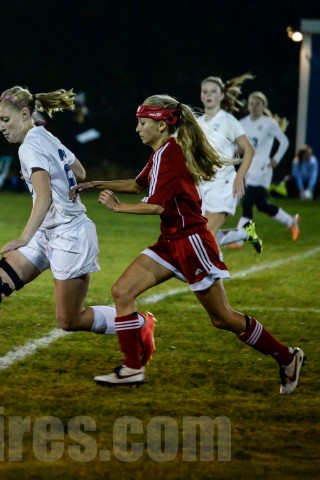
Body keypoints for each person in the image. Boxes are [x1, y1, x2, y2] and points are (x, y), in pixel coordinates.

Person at [0, 85, 155, 382]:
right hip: (47, 232)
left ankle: (136, 322)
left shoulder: (29, 146)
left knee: (70, 319)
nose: (0, 127)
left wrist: (23, 238)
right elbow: (80, 172)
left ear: (24, 114)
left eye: (5, 120)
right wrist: (42, 173)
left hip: (69, 235)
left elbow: (44, 197)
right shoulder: (44, 135)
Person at [74, 95, 304, 394]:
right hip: (171, 240)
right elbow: (138, 184)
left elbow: (156, 206)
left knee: (222, 317)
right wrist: (96, 184)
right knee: (122, 291)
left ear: (161, 124)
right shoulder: (162, 152)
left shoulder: (169, 154)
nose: (137, 129)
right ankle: (131, 369)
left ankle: (287, 356)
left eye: (142, 123)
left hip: (191, 242)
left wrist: (118, 207)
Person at [218, 91, 298, 248]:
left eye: (258, 104)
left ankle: (239, 239)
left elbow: (284, 141)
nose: (254, 106)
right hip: (248, 169)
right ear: (248, 106)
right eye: (251, 103)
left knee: (247, 203)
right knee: (261, 204)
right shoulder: (243, 123)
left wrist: (276, 159)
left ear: (263, 106)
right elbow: (240, 147)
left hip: (263, 169)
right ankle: (290, 221)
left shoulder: (269, 124)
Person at [197, 74, 259, 252]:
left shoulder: (228, 121)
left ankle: (215, 272)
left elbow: (249, 150)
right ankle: (244, 233)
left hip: (225, 185)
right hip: (203, 186)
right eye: (205, 92)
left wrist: (239, 176)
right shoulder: (197, 123)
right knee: (199, 236)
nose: (208, 95)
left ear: (222, 95)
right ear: (201, 95)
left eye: (213, 91)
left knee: (207, 236)